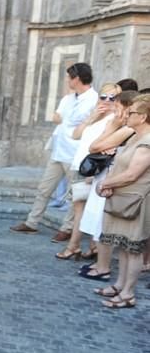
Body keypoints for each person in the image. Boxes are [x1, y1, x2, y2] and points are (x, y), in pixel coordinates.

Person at [11, 63, 98, 239]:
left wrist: (65, 118)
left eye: (69, 77)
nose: (67, 80)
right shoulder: (68, 98)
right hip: (59, 149)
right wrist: (64, 118)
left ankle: (67, 228)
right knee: (44, 188)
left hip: (76, 153)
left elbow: (75, 119)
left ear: (77, 78)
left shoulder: (93, 99)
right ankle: (31, 222)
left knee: (74, 194)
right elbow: (56, 117)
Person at [94, 95, 150, 309]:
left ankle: (128, 294)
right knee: (124, 247)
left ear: (143, 116)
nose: (127, 114)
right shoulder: (136, 137)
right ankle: (119, 285)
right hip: (123, 198)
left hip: (136, 201)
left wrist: (105, 183)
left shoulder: (147, 141)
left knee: (133, 249)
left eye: (132, 112)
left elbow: (132, 174)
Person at [56, 83, 121, 261]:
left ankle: (74, 247)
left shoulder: (115, 120)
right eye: (103, 96)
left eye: (112, 98)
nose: (107, 101)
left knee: (83, 211)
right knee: (81, 210)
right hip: (80, 166)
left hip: (94, 170)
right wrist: (92, 117)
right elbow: (76, 135)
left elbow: (109, 148)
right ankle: (90, 247)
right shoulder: (98, 116)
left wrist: (94, 175)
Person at [79, 91, 139, 282]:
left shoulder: (128, 129)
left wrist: (111, 127)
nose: (115, 109)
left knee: (102, 223)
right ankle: (100, 264)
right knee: (99, 222)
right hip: (107, 177)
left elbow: (94, 146)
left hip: (113, 179)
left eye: (118, 106)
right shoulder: (124, 127)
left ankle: (103, 267)